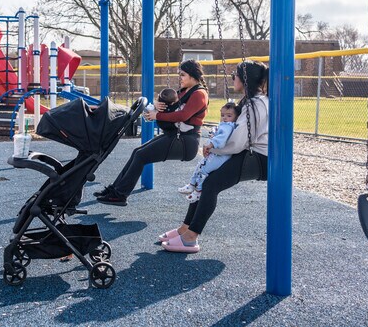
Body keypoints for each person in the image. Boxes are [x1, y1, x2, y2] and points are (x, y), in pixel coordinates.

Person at [160, 60, 269, 253]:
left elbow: (239, 141)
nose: (232, 78)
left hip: (259, 158)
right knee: (205, 181)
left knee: (210, 184)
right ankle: (185, 229)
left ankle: (191, 238)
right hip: (250, 153)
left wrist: (215, 148)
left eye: (234, 74)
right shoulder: (251, 101)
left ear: (244, 79)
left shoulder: (255, 104)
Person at [94, 60, 209, 206]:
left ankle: (120, 195)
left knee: (141, 156)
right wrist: (156, 105)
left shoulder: (199, 93)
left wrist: (157, 116)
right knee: (137, 152)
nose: (180, 78)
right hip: (175, 136)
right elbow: (170, 107)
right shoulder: (184, 92)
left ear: (193, 76)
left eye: (183, 75)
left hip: (185, 141)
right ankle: (115, 190)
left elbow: (183, 116)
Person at [178, 102, 239, 203]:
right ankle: (192, 185)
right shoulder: (225, 125)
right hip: (217, 153)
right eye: (222, 115)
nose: (224, 118)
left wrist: (211, 143)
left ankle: (198, 192)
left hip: (221, 156)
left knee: (204, 170)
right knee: (200, 165)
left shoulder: (228, 126)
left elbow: (222, 138)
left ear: (236, 117)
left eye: (229, 116)